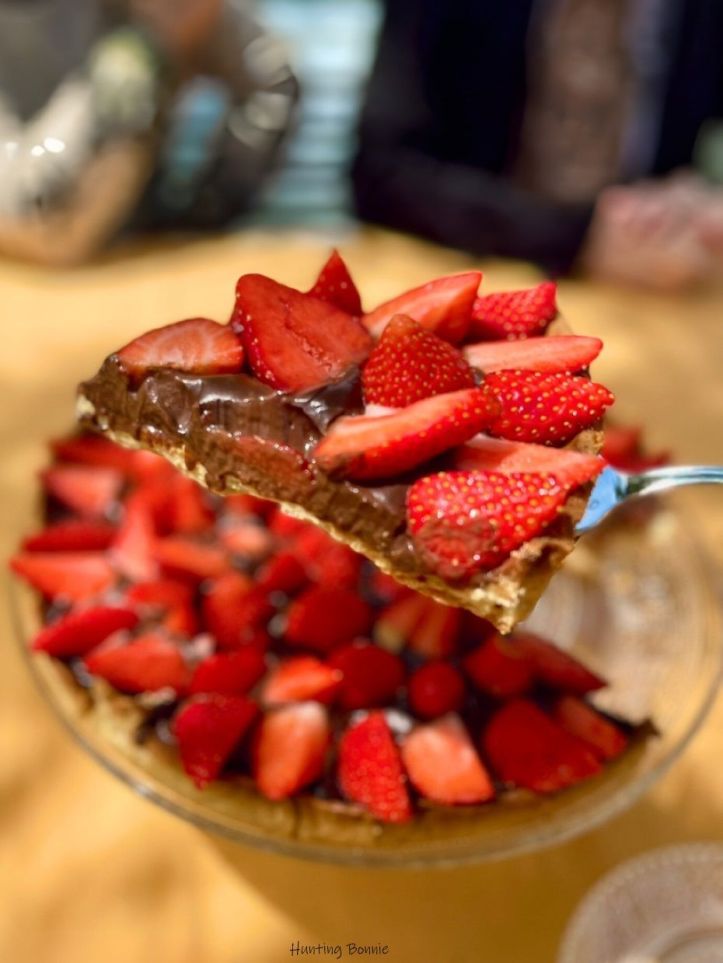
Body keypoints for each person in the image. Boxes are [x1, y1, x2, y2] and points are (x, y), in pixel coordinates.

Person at [352, 0, 723, 289]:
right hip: (470, 273)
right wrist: (577, 236)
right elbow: (380, 175)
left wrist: (706, 200)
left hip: (666, 287)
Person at [0, 0, 298, 264]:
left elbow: (272, 83)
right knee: (126, 68)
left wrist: (214, 202)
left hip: (125, 234)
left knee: (130, 66)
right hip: (29, 208)